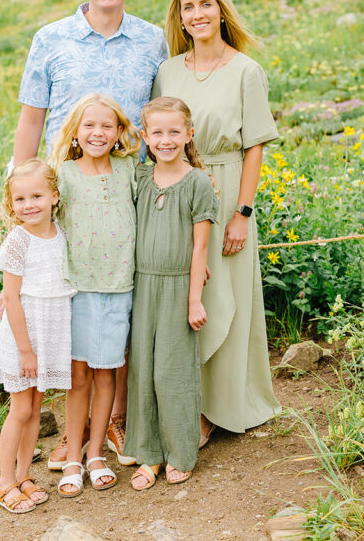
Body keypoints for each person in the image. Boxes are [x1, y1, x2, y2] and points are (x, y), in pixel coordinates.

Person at [12, 0, 166, 469]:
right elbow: (32, 117)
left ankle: (117, 419)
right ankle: (71, 431)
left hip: (126, 193)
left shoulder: (152, 41)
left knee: (120, 304)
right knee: (65, 306)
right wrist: (21, 187)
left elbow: (163, 111)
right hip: (65, 195)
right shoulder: (51, 38)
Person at [152, 0, 282, 442]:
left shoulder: (246, 70)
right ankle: (188, 404)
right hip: (180, 188)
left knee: (226, 297)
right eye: (188, 7)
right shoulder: (168, 71)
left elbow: (254, 148)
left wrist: (242, 214)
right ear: (180, 17)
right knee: (188, 295)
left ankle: (224, 407)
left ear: (220, 9)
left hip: (228, 189)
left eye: (205, 4)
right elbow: (158, 136)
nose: (197, 14)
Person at [48, 93, 141, 497]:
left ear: (120, 132)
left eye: (107, 125)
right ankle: (72, 455)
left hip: (119, 287)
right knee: (78, 375)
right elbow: (39, 227)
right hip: (78, 289)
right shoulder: (63, 176)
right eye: (89, 125)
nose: (97, 133)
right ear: (75, 133)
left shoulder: (129, 170)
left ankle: (97, 453)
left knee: (108, 372)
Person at [125, 96, 217, 490]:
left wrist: (194, 297)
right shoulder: (139, 177)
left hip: (179, 285)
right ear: (144, 136)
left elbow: (200, 247)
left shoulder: (197, 182)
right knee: (142, 370)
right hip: (141, 284)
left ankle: (180, 452)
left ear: (188, 134)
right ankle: (149, 456)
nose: (165, 140)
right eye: (157, 132)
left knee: (173, 372)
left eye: (174, 132)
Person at [0, 159, 75, 514]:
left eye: (37, 196)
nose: (29, 205)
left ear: (54, 196)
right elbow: (10, 297)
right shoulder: (17, 240)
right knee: (21, 408)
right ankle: (5, 482)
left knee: (37, 409)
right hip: (23, 336)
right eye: (21, 199)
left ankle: (25, 476)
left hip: (49, 331)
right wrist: (25, 351)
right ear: (12, 205)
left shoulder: (61, 235)